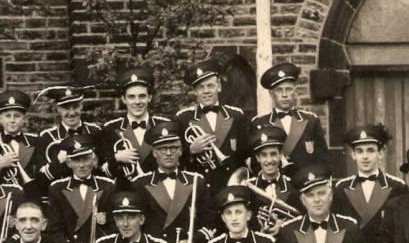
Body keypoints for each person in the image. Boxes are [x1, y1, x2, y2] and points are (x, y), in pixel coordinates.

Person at [131, 123, 214, 243]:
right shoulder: (139, 184)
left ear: (181, 151)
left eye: (173, 148)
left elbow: (210, 221)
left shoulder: (197, 181)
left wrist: (192, 241)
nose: (168, 153)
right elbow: (135, 225)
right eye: (162, 149)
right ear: (154, 153)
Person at [176, 58, 248, 192]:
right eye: (201, 87)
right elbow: (176, 159)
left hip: (229, 185)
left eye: (210, 86)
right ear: (195, 91)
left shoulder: (236, 115)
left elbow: (244, 154)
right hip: (200, 188)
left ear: (219, 86)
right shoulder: (183, 118)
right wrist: (191, 149)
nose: (206, 91)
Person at [45, 134, 116, 243]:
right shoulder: (57, 189)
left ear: (93, 160)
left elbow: (113, 225)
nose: (82, 165)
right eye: (77, 160)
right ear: (69, 163)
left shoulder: (108, 186)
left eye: (86, 159)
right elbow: (55, 230)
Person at [251, 63, 328, 174]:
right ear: (271, 94)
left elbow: (323, 160)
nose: (284, 95)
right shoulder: (259, 123)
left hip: (305, 186)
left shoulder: (311, 121)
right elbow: (255, 163)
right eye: (279, 90)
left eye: (288, 89)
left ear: (295, 91)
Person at [101, 67, 171, 188]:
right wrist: (116, 158)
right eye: (131, 97)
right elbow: (103, 172)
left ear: (150, 97)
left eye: (142, 96)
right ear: (124, 99)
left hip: (159, 192)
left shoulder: (164, 125)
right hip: (125, 196)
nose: (137, 101)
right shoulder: (110, 128)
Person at [36, 86, 103, 185]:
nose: (71, 113)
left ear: (81, 106)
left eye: (75, 107)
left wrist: (95, 162)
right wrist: (58, 161)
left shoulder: (96, 132)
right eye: (66, 108)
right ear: (58, 109)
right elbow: (40, 179)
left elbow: (104, 172)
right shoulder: (47, 137)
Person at [0, 89, 42, 199]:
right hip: (1, 199)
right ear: (0, 119)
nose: (12, 120)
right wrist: (0, 165)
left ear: (24, 119)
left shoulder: (36, 141)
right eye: (8, 116)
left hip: (30, 197)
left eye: (17, 116)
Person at [246, 124, 297, 233]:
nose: (269, 160)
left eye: (273, 154)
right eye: (264, 155)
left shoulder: (293, 186)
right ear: (257, 158)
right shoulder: (248, 188)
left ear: (280, 155)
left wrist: (282, 227)